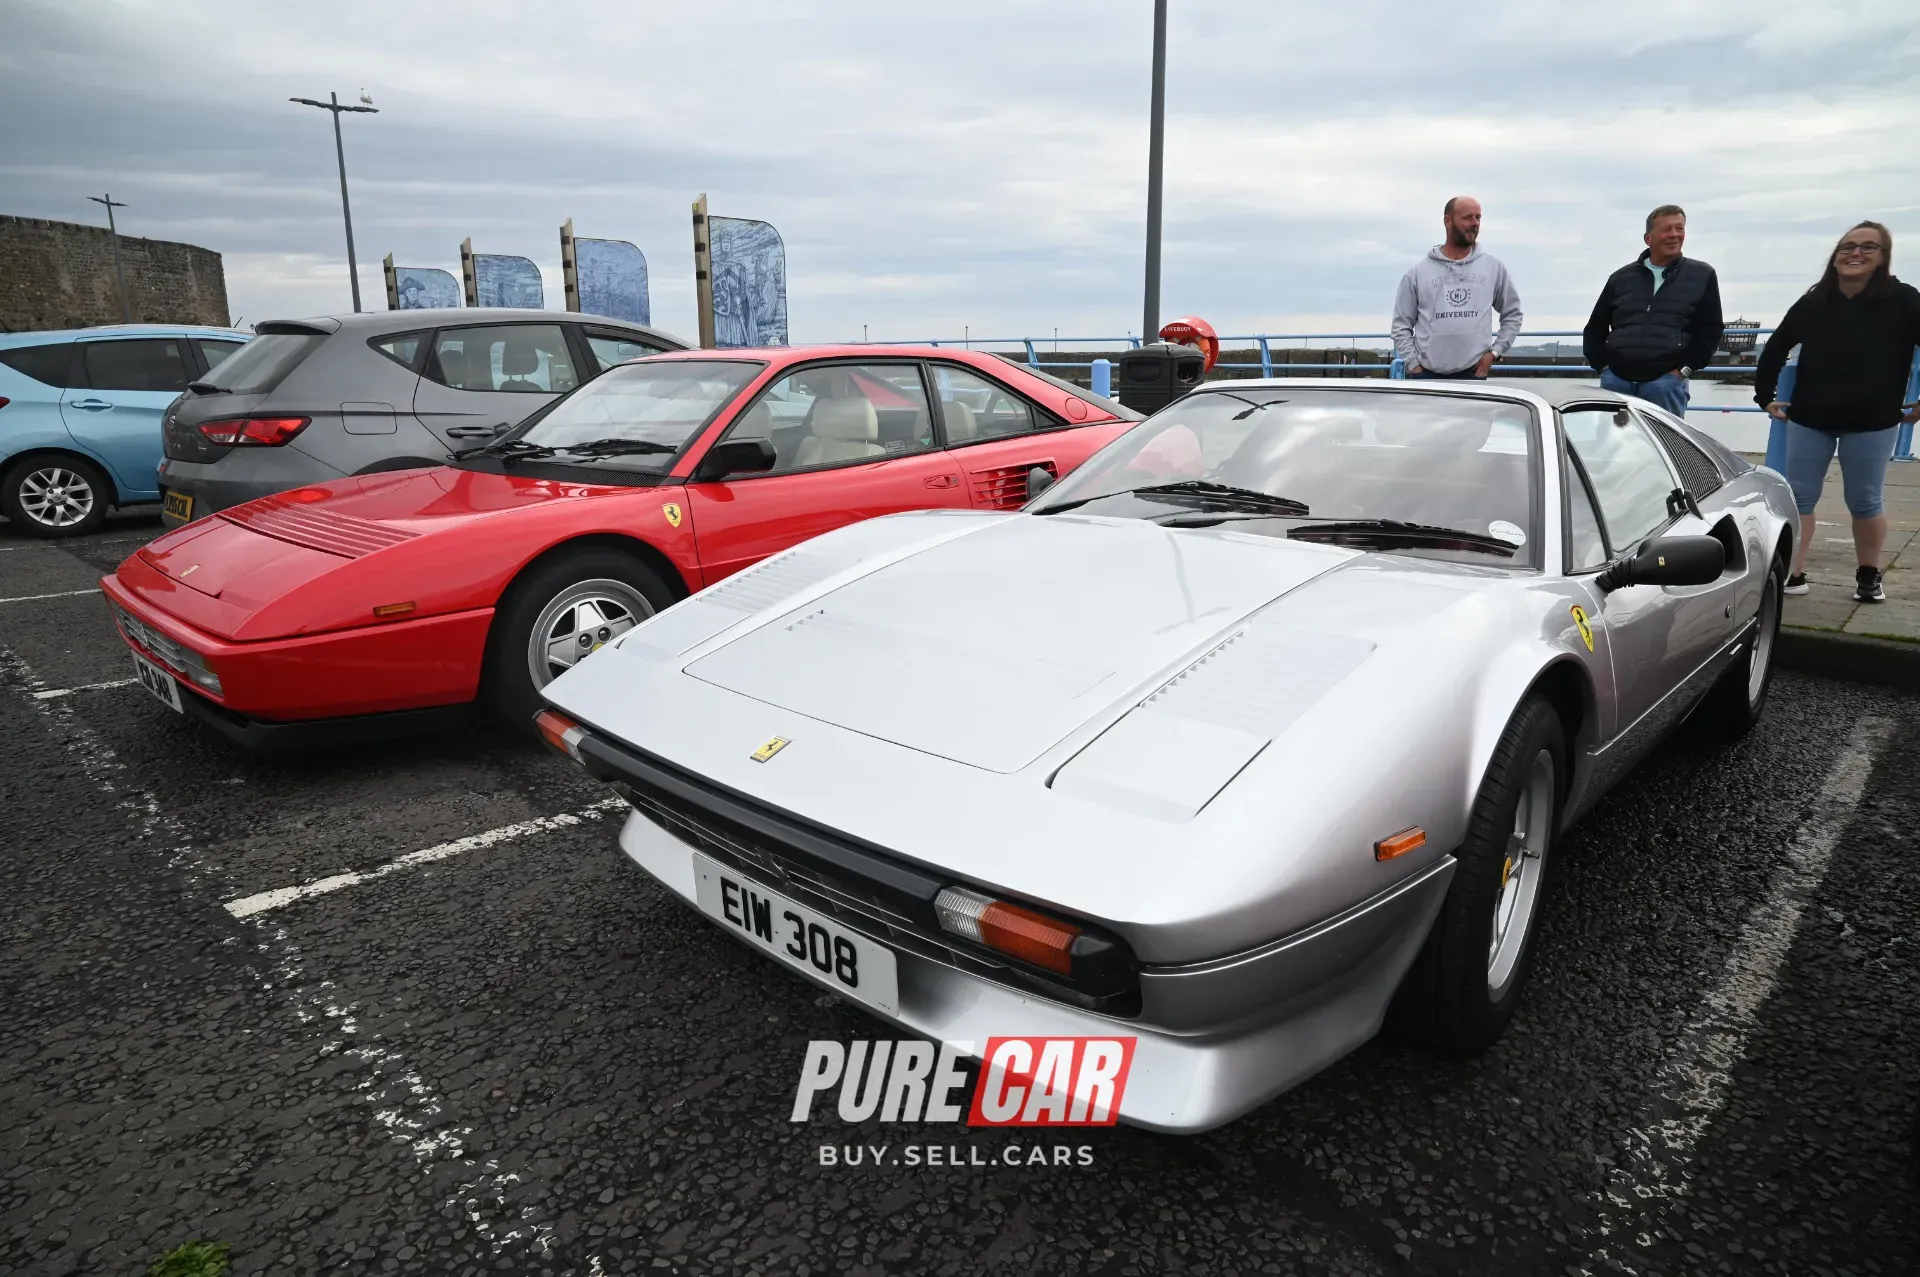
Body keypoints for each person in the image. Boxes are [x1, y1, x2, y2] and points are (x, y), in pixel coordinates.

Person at [1754, 220, 1920, 601]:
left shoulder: (1904, 300)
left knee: (1864, 499)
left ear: (1883, 257)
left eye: (1867, 247)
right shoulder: (1815, 301)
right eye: (1847, 246)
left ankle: (1869, 575)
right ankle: (1793, 573)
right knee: (1799, 498)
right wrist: (1764, 396)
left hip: (1872, 420)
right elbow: (1776, 348)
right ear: (1836, 255)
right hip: (1811, 417)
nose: (1855, 254)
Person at [1582, 205, 1724, 416]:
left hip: (1666, 384)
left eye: (1680, 229)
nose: (1674, 235)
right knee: (1612, 446)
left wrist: (1684, 370)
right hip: (1618, 383)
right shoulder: (1621, 278)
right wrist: (1604, 368)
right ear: (1648, 239)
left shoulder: (1702, 275)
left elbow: (1711, 329)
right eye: (1666, 229)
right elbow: (1596, 327)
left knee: (1666, 447)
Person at [1391, 196, 1523, 380]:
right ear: (1447, 221)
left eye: (1478, 217)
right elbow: (1401, 325)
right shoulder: (1417, 273)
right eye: (1468, 217)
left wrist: (1494, 353)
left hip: (1474, 374)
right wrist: (1414, 365)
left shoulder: (1493, 268)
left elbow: (1513, 314)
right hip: (1427, 376)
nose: (1475, 223)